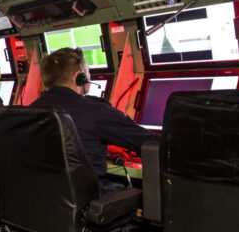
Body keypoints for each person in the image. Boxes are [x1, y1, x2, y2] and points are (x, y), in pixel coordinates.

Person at [31, 47, 156, 187]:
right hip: (88, 199)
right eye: (88, 72)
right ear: (79, 77)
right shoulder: (94, 110)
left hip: (42, 199)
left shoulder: (26, 112)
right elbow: (148, 142)